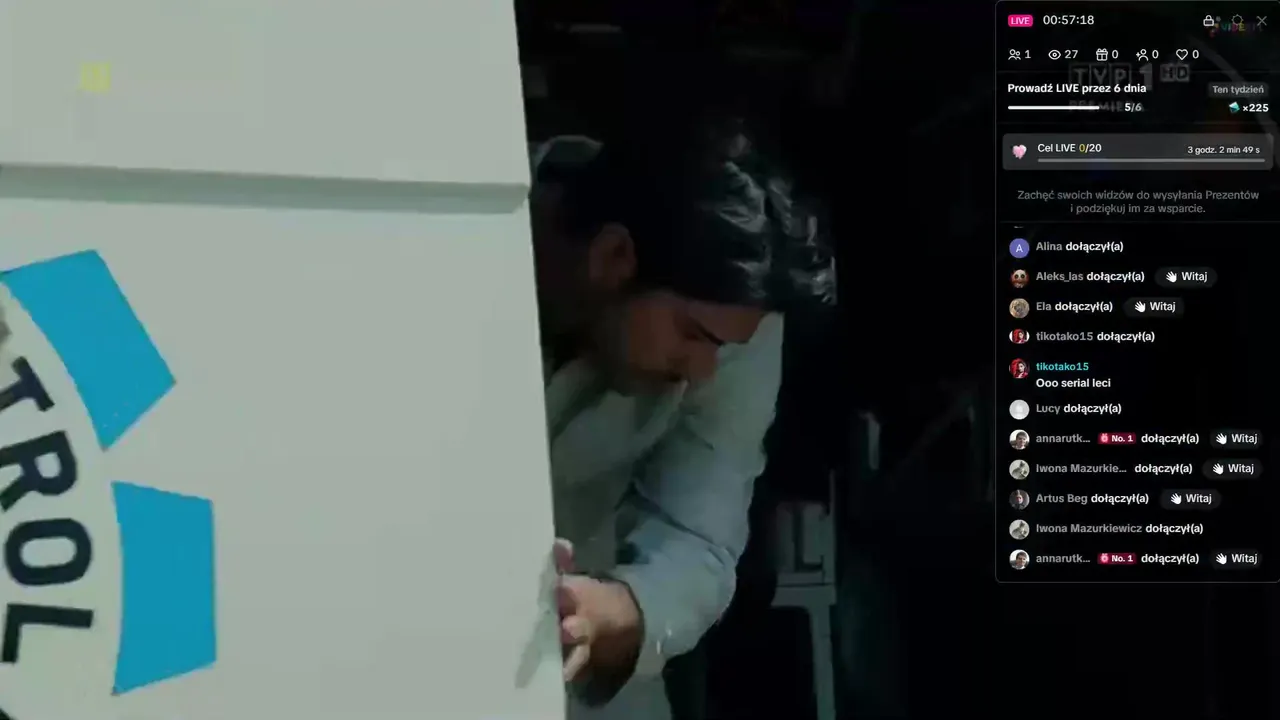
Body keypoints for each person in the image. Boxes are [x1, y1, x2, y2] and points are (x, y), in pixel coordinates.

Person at [529, 114, 835, 719]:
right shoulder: (434, 223)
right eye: (692, 337)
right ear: (613, 255)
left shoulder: (736, 309)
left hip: (593, 656)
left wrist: (624, 609)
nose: (703, 373)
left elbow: (700, 531)